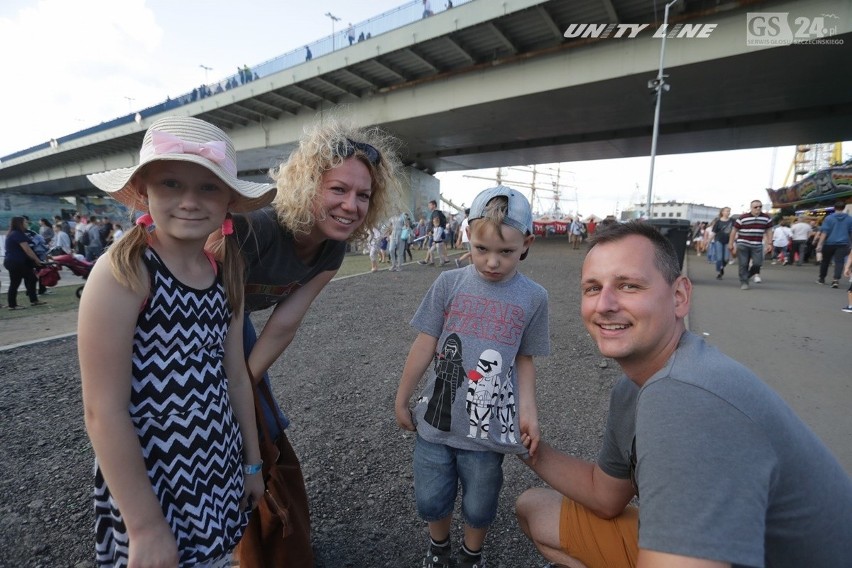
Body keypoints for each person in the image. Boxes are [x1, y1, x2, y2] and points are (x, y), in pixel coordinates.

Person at [515, 220, 852, 568]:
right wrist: (522, 445)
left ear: (679, 297)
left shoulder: (684, 396)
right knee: (535, 508)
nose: (604, 304)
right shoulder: (633, 389)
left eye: (629, 285)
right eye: (592, 288)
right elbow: (605, 496)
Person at [79, 116, 274, 567]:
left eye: (208, 187)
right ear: (145, 190)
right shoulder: (124, 272)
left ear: (229, 200)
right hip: (151, 482)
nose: (189, 201)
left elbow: (237, 378)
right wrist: (144, 525)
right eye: (171, 183)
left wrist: (252, 462)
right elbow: (102, 410)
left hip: (218, 467)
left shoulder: (226, 271)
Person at [396, 185, 550, 568]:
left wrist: (528, 411)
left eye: (506, 252)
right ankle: (439, 546)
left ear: (527, 243)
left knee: (481, 502)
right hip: (436, 421)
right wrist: (402, 397)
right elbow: (424, 342)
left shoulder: (534, 297)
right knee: (431, 497)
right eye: (482, 249)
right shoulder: (449, 284)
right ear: (467, 234)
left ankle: (471, 554)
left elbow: (525, 359)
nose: (492, 262)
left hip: (488, 430)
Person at [231, 114, 402, 453]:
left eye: (363, 195)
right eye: (338, 189)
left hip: (236, 319)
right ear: (307, 185)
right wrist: (230, 392)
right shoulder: (255, 228)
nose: (351, 206)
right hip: (194, 323)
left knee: (265, 417)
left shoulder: (332, 250)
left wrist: (244, 384)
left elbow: (283, 325)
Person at [4, 216, 47, 310]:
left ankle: (17, 303)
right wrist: (37, 260)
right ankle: (16, 304)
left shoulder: (14, 233)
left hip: (13, 261)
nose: (27, 224)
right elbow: (27, 249)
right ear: (20, 224)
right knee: (29, 279)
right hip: (16, 262)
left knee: (19, 281)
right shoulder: (17, 234)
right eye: (25, 222)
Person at [729, 199, 772, 290]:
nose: (758, 208)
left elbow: (769, 230)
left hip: (757, 244)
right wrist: (731, 243)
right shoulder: (743, 217)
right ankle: (744, 282)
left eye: (760, 207)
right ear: (751, 208)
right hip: (743, 244)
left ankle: (747, 275)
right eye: (755, 207)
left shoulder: (766, 218)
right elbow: (734, 230)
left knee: (757, 264)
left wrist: (770, 243)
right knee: (743, 264)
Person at [814, 200, 852, 288]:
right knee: (839, 262)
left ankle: (822, 278)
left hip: (829, 243)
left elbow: (824, 232)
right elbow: (851, 232)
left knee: (825, 261)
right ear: (844, 208)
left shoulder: (829, 218)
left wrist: (820, 244)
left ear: (834, 208)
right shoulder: (849, 219)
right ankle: (835, 280)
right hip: (843, 243)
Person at [708, 206, 733, 278]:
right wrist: (708, 242)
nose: (728, 212)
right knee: (719, 258)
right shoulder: (718, 222)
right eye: (726, 211)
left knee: (726, 259)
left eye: (729, 211)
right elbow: (713, 233)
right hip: (718, 240)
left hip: (728, 241)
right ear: (722, 212)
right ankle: (719, 271)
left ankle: (722, 266)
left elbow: (734, 230)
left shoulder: (732, 221)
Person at [428, 199, 450, 265]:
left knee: (439, 253)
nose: (429, 206)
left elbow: (438, 235)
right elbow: (435, 234)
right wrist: (431, 233)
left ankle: (442, 262)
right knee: (431, 251)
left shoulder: (436, 213)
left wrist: (434, 240)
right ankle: (432, 261)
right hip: (435, 241)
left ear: (434, 205)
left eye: (430, 205)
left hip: (438, 242)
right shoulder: (435, 227)